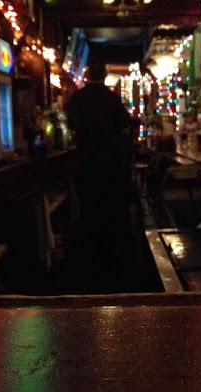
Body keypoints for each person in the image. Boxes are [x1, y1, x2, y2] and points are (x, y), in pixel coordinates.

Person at [65, 62, 133, 290]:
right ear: (104, 75)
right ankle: (112, 261)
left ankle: (91, 262)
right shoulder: (111, 98)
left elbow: (71, 124)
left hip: (85, 163)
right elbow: (125, 125)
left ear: (87, 74)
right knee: (110, 211)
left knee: (89, 209)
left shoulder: (77, 98)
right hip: (111, 165)